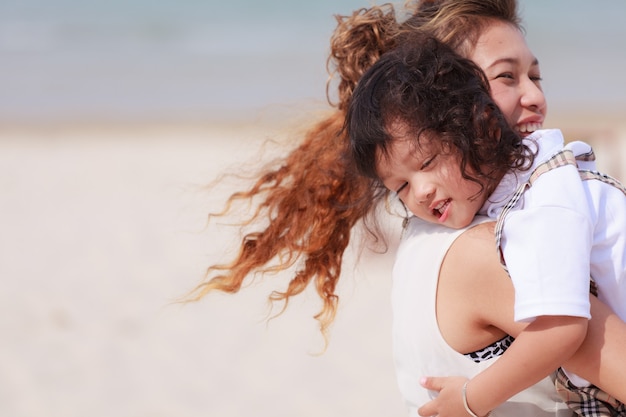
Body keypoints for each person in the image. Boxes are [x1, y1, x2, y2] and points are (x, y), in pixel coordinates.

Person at [189, 0, 626, 415]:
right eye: (506, 77)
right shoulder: (484, 247)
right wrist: (474, 399)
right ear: (451, 99)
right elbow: (573, 334)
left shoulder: (441, 228)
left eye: (534, 76)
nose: (533, 97)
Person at [346, 28, 626, 416]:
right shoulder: (485, 216)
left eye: (427, 164)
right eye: (401, 187)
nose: (421, 192)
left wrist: (470, 399)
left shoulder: (546, 199)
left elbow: (563, 326)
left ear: (478, 125)